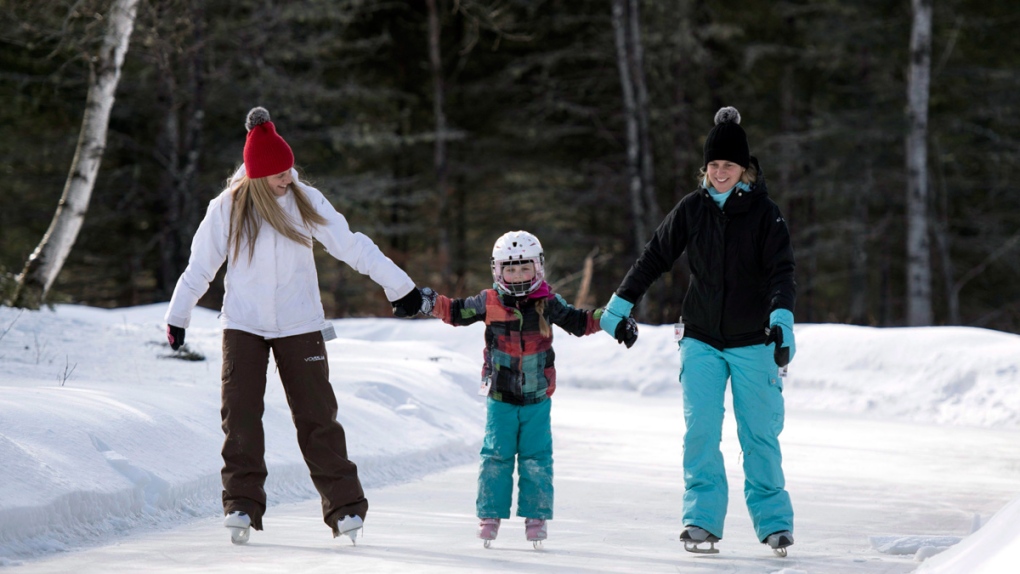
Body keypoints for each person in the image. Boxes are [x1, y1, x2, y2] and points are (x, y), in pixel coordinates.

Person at [164, 107, 426, 545]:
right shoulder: (227, 207)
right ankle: (242, 505)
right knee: (241, 416)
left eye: (289, 169)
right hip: (243, 324)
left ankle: (345, 509)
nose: (288, 178)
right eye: (278, 174)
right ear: (256, 177)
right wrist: (178, 316)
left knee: (318, 417)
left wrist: (401, 287)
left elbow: (352, 246)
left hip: (300, 323)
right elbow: (200, 266)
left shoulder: (306, 199)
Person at [599, 107, 797, 556]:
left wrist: (782, 318)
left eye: (729, 165)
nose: (721, 172)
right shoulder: (692, 209)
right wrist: (619, 305)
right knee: (701, 432)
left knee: (759, 434)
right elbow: (654, 257)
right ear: (705, 169)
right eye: (714, 165)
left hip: (754, 340)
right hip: (701, 338)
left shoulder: (766, 214)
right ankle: (702, 520)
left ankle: (775, 523)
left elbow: (782, 272)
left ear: (745, 169)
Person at [418, 230, 636, 548]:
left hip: (537, 397)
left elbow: (580, 321)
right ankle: (490, 515)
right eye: (510, 268)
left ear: (538, 268)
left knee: (537, 458)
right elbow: (455, 310)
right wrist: (429, 301)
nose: (518, 275)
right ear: (498, 271)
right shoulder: (488, 301)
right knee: (496, 456)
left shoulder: (547, 302)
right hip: (500, 397)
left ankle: (536, 517)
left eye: (524, 268)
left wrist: (612, 321)